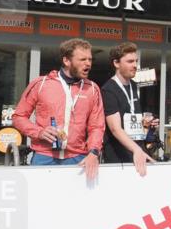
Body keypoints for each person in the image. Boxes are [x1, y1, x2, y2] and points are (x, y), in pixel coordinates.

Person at [12, 38, 104, 180]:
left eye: (90, 59)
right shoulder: (41, 84)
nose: (88, 64)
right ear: (67, 61)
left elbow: (97, 126)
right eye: (82, 59)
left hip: (78, 158)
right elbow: (18, 117)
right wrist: (39, 132)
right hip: (44, 157)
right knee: (41, 201)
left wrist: (93, 152)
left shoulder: (92, 89)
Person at [100, 42, 158, 176]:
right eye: (130, 61)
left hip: (137, 151)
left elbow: (132, 119)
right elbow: (115, 128)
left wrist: (146, 124)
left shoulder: (133, 85)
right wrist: (136, 150)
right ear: (116, 63)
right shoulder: (109, 89)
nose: (135, 65)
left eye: (136, 61)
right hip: (118, 156)